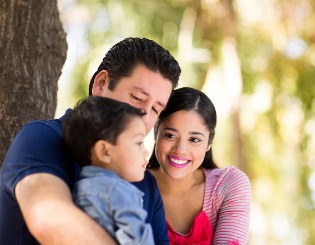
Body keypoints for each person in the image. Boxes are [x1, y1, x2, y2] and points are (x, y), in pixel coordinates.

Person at [0, 37, 181, 245]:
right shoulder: (42, 139)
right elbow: (49, 221)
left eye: (156, 109)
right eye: (137, 98)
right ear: (101, 84)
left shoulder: (146, 184)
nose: (145, 116)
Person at [148, 87, 251, 245]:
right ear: (156, 133)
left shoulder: (229, 185)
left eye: (194, 139)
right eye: (170, 135)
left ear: (209, 143)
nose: (180, 150)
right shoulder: (131, 185)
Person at [62, 96, 154, 244]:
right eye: (138, 143)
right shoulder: (117, 190)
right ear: (105, 151)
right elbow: (138, 239)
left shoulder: (80, 188)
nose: (145, 151)